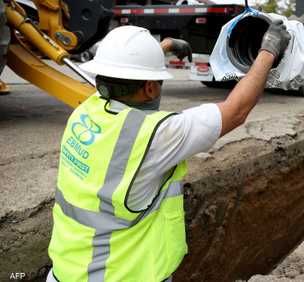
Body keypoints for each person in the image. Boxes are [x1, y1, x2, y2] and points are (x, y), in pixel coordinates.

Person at [46, 22, 290, 282]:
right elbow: (236, 110)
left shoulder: (85, 111)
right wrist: (269, 50)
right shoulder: (156, 135)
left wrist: (163, 48)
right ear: (150, 87)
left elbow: (119, 74)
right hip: (122, 275)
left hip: (66, 271)